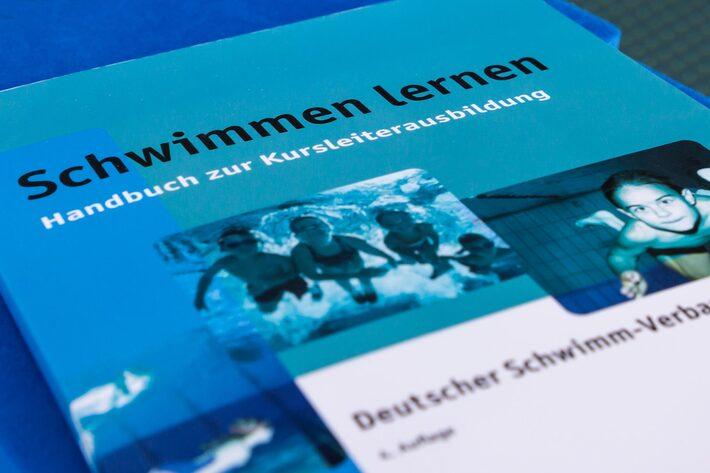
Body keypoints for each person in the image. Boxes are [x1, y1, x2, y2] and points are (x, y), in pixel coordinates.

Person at [598, 170, 710, 298]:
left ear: (688, 197)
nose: (662, 214)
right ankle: (610, 220)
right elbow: (619, 257)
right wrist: (626, 273)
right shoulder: (640, 234)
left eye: (665, 201)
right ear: (630, 215)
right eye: (640, 209)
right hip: (677, 246)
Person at [194, 227, 316, 313]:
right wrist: (200, 296)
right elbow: (207, 277)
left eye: (249, 242)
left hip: (284, 280)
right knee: (267, 310)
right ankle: (282, 297)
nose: (243, 246)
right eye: (234, 245)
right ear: (224, 249)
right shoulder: (225, 263)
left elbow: (297, 269)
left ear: (257, 243)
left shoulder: (269, 258)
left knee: (302, 292)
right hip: (263, 285)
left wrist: (270, 283)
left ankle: (302, 295)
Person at [289, 216, 395, 304]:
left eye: (316, 225)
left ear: (328, 227)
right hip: (333, 268)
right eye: (304, 228)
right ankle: (353, 291)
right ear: (298, 237)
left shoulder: (346, 240)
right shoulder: (301, 251)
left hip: (352, 263)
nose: (312, 229)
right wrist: (358, 275)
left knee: (360, 272)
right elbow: (313, 276)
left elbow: (370, 249)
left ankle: (365, 288)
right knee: (348, 277)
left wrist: (389, 258)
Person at [375, 209, 451, 278]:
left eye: (405, 221)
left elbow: (434, 236)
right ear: (386, 228)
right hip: (404, 248)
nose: (401, 225)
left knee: (429, 255)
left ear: (410, 219)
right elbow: (395, 249)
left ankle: (438, 266)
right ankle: (394, 264)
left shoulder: (424, 227)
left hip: (423, 243)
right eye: (391, 225)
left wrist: (435, 246)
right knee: (411, 261)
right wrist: (411, 256)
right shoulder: (390, 239)